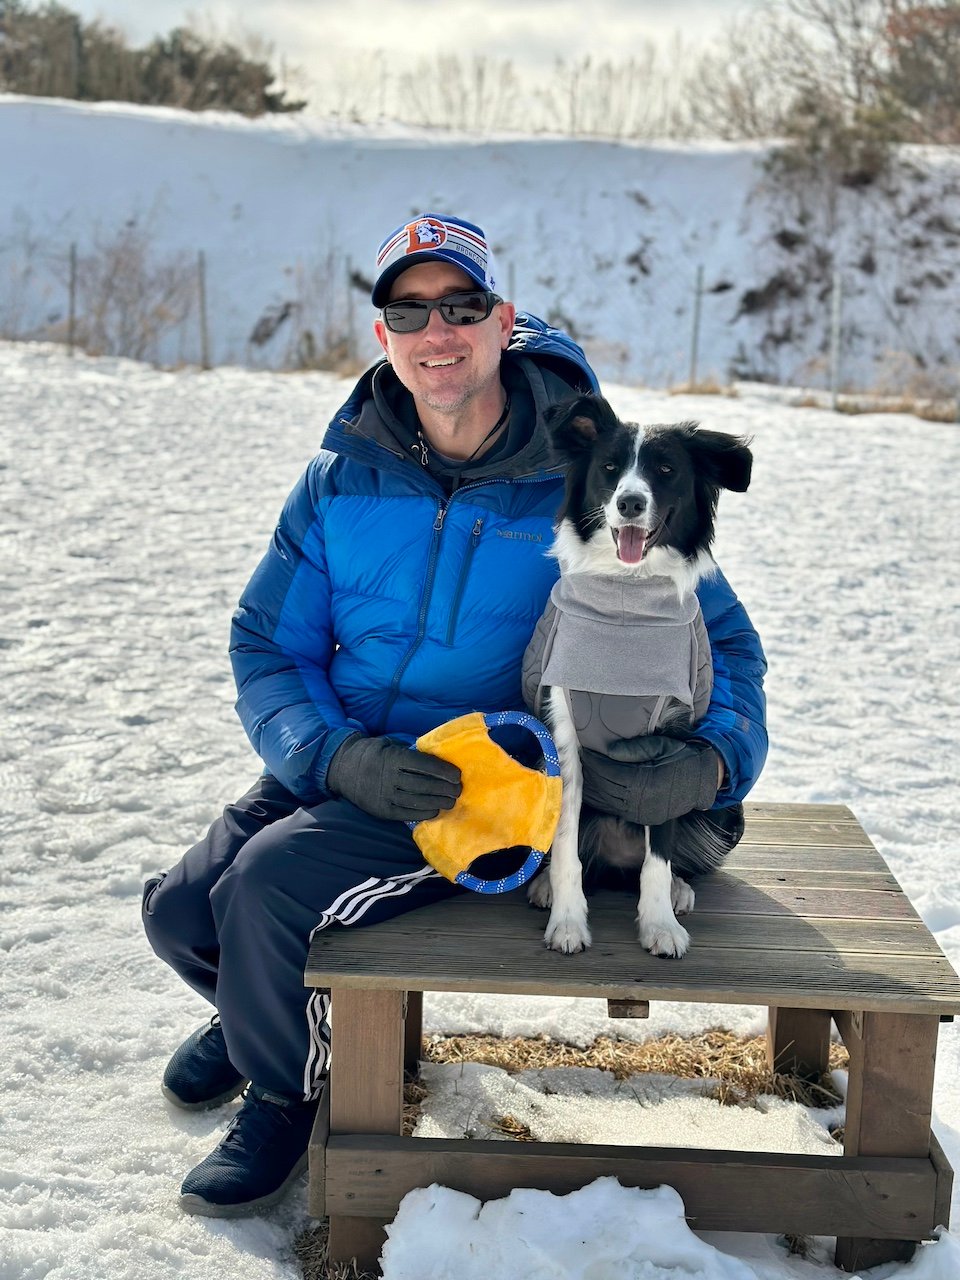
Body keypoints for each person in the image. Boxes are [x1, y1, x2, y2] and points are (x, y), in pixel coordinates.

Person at [142, 212, 767, 1217]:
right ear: (382, 332)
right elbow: (267, 642)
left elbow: (723, 643)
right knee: (175, 910)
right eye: (409, 309)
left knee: (263, 889)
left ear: (501, 320)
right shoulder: (341, 475)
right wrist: (330, 754)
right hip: (348, 756)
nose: (437, 332)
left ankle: (286, 1087)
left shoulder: (583, 477)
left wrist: (718, 760)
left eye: (461, 306)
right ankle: (272, 1005)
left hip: (472, 782)